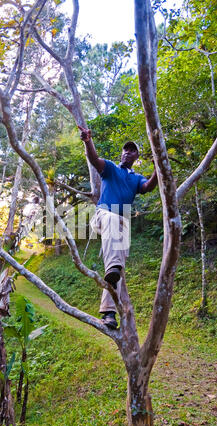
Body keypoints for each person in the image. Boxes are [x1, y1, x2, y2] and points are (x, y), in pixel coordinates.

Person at [78, 125, 158, 329]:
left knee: (117, 269)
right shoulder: (111, 168)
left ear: (136, 156)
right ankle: (112, 271)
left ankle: (109, 313)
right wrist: (88, 141)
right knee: (114, 263)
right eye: (125, 149)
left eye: (132, 150)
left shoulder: (136, 177)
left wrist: (159, 168)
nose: (127, 152)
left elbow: (148, 186)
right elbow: (95, 160)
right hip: (104, 215)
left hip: (122, 223)